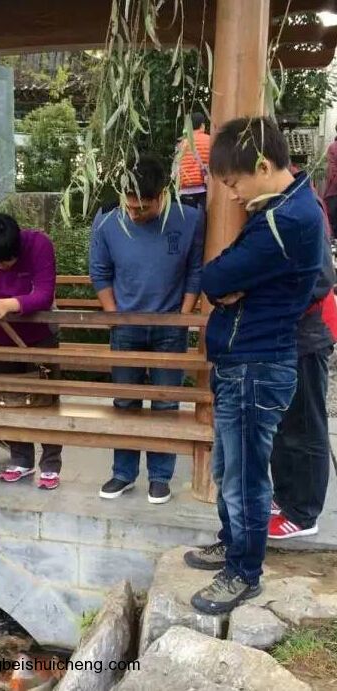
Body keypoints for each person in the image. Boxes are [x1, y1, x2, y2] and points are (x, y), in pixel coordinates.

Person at [184, 117, 324, 615]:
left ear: (262, 166)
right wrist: (232, 284)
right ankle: (231, 543)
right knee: (229, 467)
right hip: (244, 360)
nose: (232, 194)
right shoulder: (281, 209)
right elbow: (224, 276)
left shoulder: (286, 221)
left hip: (256, 365)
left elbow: (214, 278)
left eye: (233, 182)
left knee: (245, 478)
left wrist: (230, 285)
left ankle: (244, 573)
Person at [89, 154, 204, 504]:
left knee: (166, 403)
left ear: (162, 195)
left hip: (171, 325)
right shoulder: (107, 219)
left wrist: (183, 316)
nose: (134, 214)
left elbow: (195, 270)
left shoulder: (190, 218)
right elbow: (100, 271)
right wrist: (114, 316)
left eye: (143, 208)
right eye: (130, 206)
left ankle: (160, 476)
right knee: (125, 401)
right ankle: (123, 473)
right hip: (126, 325)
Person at [0, 213, 62, 490]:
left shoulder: (39, 244)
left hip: (40, 336)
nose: (0, 267)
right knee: (7, 398)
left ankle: (51, 464)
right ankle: (21, 459)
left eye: (6, 261)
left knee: (47, 400)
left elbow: (44, 294)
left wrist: (11, 303)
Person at [268, 201, 337, 539]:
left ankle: (305, 513)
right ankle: (285, 496)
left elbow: (321, 279)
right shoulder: (276, 205)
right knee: (283, 423)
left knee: (307, 425)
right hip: (285, 335)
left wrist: (271, 304)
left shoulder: (304, 209)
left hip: (308, 334)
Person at [176, 112, 211, 210]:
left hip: (184, 190)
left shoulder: (181, 143)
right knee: (204, 217)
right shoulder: (209, 140)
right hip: (203, 189)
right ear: (202, 126)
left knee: (188, 217)